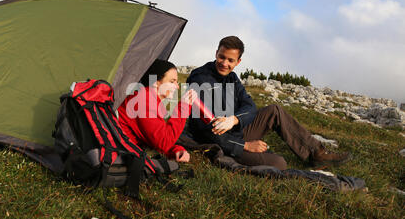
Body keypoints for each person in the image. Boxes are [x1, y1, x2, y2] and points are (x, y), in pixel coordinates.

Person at [186, 36, 351, 170]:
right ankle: (237, 154)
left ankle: (317, 154)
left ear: (238, 62)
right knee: (279, 163)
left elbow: (250, 106)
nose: (224, 63)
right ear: (216, 53)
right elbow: (205, 131)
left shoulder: (232, 78)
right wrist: (245, 145)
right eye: (221, 57)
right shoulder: (200, 78)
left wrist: (234, 120)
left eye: (230, 60)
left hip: (235, 129)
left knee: (275, 110)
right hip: (218, 141)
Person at [118, 59, 197, 163]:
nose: (177, 87)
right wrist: (183, 107)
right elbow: (163, 143)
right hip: (117, 150)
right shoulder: (144, 100)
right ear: (156, 83)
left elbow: (156, 138)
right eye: (172, 81)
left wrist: (175, 150)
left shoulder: (148, 98)